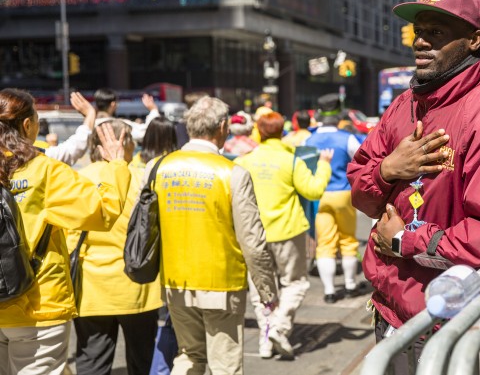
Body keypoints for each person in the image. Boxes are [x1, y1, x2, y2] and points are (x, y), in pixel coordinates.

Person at [346, 0, 480, 374]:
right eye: (419, 32)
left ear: (473, 39)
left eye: (436, 32)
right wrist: (386, 171)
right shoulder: (402, 106)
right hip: (389, 314)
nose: (421, 42)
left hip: (453, 330)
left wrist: (405, 240)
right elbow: (361, 194)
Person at [0, 88, 131, 375]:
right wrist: (116, 166)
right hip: (37, 304)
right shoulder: (43, 170)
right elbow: (101, 212)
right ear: (27, 125)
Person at [151, 96, 278, 375]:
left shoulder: (159, 168)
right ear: (222, 126)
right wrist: (267, 289)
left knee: (188, 356)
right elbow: (253, 242)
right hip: (221, 283)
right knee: (225, 365)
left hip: (175, 280)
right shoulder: (232, 173)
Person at [235, 112, 333, 359]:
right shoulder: (291, 161)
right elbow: (313, 190)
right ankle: (279, 327)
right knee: (295, 283)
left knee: (261, 291)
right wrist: (323, 165)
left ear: (259, 131)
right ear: (282, 132)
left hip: (253, 234)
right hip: (288, 231)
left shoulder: (244, 161)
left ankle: (265, 342)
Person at [68, 119, 162, 375]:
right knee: (142, 364)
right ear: (122, 143)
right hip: (138, 288)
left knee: (91, 363)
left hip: (90, 289)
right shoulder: (143, 178)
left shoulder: (77, 179)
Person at [305, 93, 363, 304]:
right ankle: (350, 285)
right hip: (344, 193)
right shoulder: (346, 138)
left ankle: (329, 291)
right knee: (348, 239)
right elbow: (362, 159)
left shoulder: (308, 139)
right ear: (339, 115)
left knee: (325, 243)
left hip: (318, 195)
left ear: (319, 115)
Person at [94, 88, 160, 143]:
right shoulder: (120, 125)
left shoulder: (90, 124)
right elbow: (146, 132)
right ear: (113, 104)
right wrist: (153, 110)